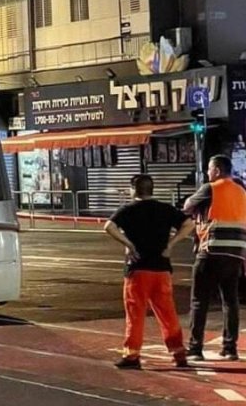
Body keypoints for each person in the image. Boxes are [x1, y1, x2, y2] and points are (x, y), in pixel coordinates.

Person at [104, 174, 195, 369]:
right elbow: (189, 224)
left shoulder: (128, 210)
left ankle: (132, 355)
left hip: (138, 269)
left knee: (135, 313)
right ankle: (179, 353)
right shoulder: (165, 209)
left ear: (133, 190)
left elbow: (109, 227)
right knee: (167, 312)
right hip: (162, 268)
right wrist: (171, 244)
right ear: (152, 189)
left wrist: (128, 244)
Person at [183, 155, 246, 361]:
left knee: (199, 300)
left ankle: (194, 349)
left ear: (217, 170)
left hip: (211, 250)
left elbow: (188, 206)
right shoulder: (242, 192)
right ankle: (230, 349)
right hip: (236, 253)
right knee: (230, 301)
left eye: (209, 169)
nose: (208, 173)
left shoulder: (211, 188)